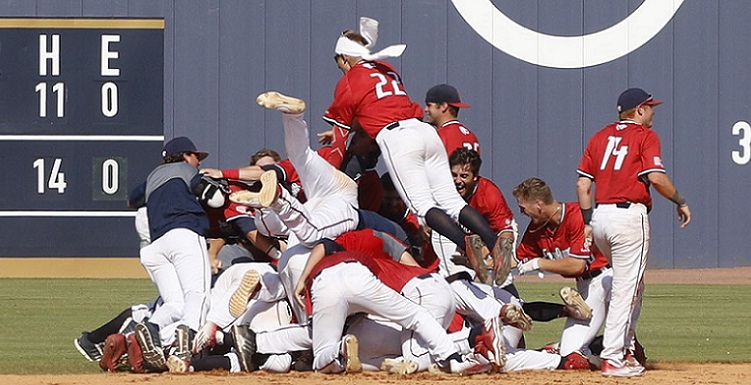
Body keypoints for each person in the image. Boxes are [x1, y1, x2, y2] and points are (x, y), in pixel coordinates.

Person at [320, 17, 512, 282]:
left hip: (397, 138)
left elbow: (342, 134)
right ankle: (493, 243)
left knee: (422, 206)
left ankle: (466, 243)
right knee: (452, 200)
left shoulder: (350, 80)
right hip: (423, 130)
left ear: (344, 57)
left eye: (338, 61)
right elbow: (374, 105)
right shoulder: (386, 69)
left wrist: (328, 171)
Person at [576, 87, 691, 377]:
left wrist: (590, 220)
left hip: (601, 216)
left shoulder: (599, 136)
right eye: (650, 107)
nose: (653, 112)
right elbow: (656, 177)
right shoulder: (645, 136)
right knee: (627, 289)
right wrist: (680, 200)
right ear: (639, 110)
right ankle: (613, 357)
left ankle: (624, 348)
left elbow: (583, 185)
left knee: (632, 286)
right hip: (628, 216)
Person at [127, 136, 212, 372]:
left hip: (155, 247)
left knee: (175, 303)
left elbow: (132, 200)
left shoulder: (153, 177)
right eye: (196, 156)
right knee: (198, 295)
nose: (198, 162)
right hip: (183, 235)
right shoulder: (186, 170)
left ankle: (151, 328)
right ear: (184, 155)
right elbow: (212, 197)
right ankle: (184, 346)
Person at [513, 177, 612, 365]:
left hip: (610, 276)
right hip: (586, 286)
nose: (521, 212)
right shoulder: (536, 230)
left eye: (523, 207)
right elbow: (517, 258)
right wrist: (485, 260)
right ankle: (601, 354)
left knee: (622, 312)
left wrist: (538, 264)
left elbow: (577, 266)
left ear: (539, 205)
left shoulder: (576, 215)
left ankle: (627, 347)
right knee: (571, 356)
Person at [423, 84, 481, 156]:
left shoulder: (439, 136)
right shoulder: (472, 136)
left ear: (444, 106)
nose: (426, 109)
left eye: (429, 105)